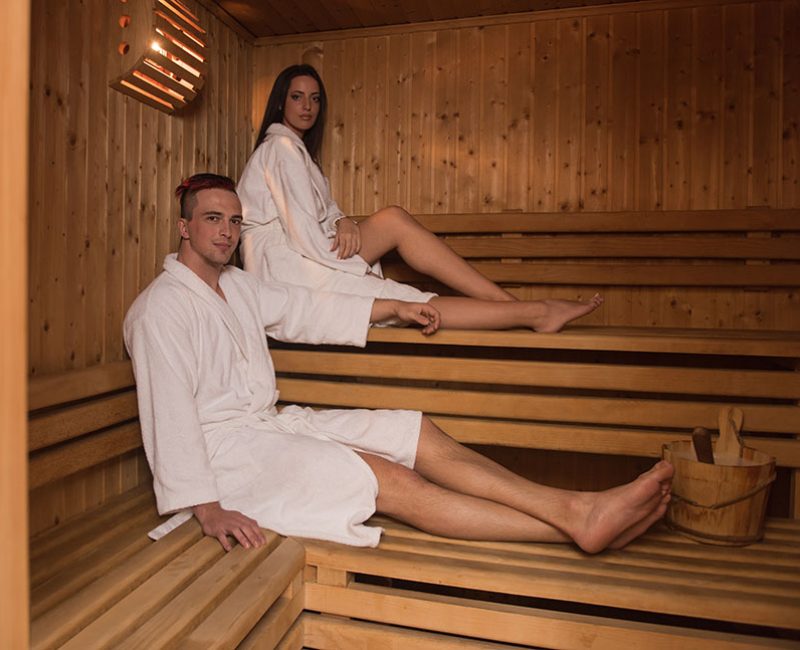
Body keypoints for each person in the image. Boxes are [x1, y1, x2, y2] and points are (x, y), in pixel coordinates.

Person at [124, 173, 672, 554]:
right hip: (224, 462)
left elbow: (308, 309)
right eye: (213, 219)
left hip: (268, 428)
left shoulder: (240, 287)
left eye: (235, 221)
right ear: (184, 227)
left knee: (413, 430)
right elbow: (169, 418)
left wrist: (396, 306)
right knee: (384, 477)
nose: (226, 231)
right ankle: (574, 522)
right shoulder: (160, 310)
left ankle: (578, 512)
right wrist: (206, 508)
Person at [237, 64, 603, 333]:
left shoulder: (296, 151)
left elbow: (323, 213)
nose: (307, 106)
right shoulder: (281, 148)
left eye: (315, 99)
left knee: (393, 219)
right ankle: (532, 312)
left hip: (307, 248)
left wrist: (342, 220)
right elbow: (302, 232)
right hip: (286, 268)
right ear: (280, 103)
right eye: (297, 97)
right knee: (397, 297)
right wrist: (359, 272)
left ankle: (511, 305)